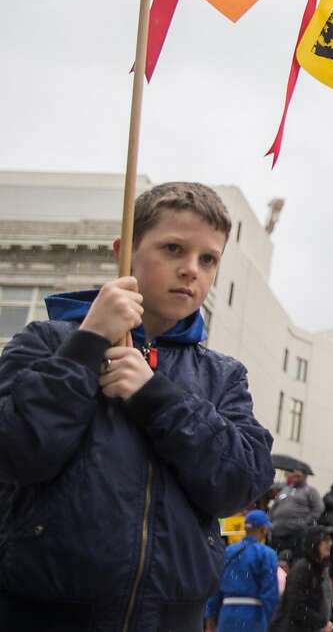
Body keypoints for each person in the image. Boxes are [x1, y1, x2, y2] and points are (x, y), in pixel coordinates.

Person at [0, 181, 274, 630]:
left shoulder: (222, 375)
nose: (191, 270)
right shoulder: (48, 341)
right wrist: (87, 343)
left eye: (208, 259)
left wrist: (157, 398)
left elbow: (239, 483)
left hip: (169, 618)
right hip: (42, 613)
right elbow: (17, 449)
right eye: (173, 249)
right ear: (124, 249)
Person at [206, 510, 281, 632]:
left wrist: (210, 619)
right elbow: (270, 594)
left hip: (227, 616)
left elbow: (215, 588)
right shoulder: (267, 554)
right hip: (253, 618)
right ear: (263, 529)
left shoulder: (228, 552)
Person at [271, 526, 333, 632]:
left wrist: (332, 618)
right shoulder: (303, 569)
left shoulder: (318, 569)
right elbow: (295, 606)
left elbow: (314, 604)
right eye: (326, 540)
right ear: (316, 542)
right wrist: (321, 622)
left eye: (330, 540)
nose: (330, 543)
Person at [273, 468, 324, 563]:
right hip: (278, 531)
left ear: (305, 477)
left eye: (298, 476)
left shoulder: (310, 491)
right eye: (294, 476)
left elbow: (318, 509)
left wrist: (304, 522)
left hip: (296, 532)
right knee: (276, 558)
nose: (295, 478)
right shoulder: (286, 490)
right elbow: (275, 506)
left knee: (291, 559)